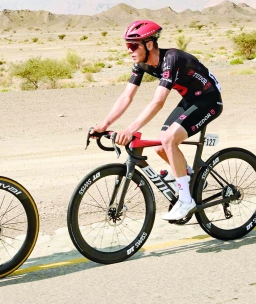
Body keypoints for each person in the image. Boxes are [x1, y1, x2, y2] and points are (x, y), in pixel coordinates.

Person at [91, 20, 223, 222]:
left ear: (149, 44)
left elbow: (158, 101)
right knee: (161, 146)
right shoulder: (141, 64)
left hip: (209, 99)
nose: (129, 50)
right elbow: (126, 97)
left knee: (170, 140)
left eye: (133, 45)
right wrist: (104, 124)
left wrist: (130, 129)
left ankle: (186, 201)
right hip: (190, 98)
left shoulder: (171, 59)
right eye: (127, 45)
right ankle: (192, 179)